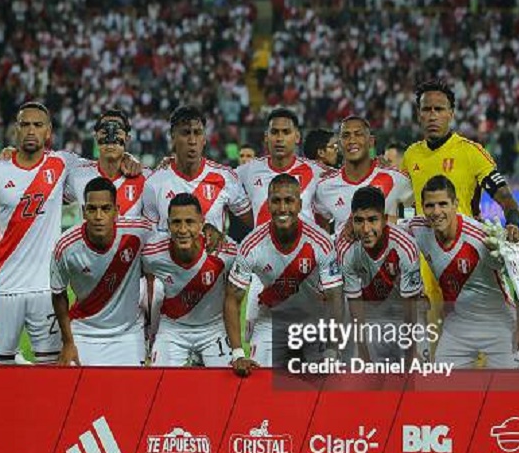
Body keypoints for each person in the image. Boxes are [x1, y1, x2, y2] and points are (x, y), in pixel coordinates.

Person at [0, 101, 82, 364]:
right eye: (25, 124)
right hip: (4, 287)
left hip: (48, 290)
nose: (31, 130)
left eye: (38, 125)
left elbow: (104, 167)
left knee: (52, 368)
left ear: (48, 131)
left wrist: (130, 160)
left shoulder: (62, 164)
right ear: (15, 130)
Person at [224, 174, 344, 375]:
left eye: (289, 201)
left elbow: (335, 297)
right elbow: (232, 298)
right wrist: (237, 353)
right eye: (276, 201)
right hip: (271, 320)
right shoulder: (251, 244)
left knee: (322, 385)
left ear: (299, 204)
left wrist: (332, 350)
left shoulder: (320, 242)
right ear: (268, 204)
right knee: (257, 380)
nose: (282, 208)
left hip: (312, 320)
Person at [407, 176, 519, 368]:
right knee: (442, 392)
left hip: (499, 324)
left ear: (455, 204)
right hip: (457, 326)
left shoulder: (483, 237)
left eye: (443, 204)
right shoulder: (418, 228)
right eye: (430, 206)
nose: (436, 212)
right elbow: (385, 230)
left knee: (507, 394)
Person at [236, 107, 329, 342]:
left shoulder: (317, 172)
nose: (279, 138)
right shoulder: (247, 171)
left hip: (305, 270)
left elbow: (346, 189)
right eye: (274, 132)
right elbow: (214, 182)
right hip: (262, 270)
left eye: (285, 132)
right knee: (256, 342)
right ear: (265, 137)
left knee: (309, 346)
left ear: (297, 136)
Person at [401, 80, 519, 241]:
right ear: (418, 115)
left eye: (439, 109)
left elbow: (505, 197)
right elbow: (404, 204)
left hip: (464, 253)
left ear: (451, 114)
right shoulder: (411, 155)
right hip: (425, 257)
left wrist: (513, 223)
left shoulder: (471, 152)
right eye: (426, 110)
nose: (432, 116)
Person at [51, 177, 153, 366]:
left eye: (105, 209)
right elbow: (58, 294)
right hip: (84, 331)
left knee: (130, 393)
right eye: (92, 209)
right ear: (83, 212)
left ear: (117, 211)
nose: (98, 216)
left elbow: (173, 242)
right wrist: (68, 342)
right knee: (78, 392)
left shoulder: (139, 232)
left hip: (128, 334)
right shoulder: (66, 246)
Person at [142, 193, 238, 367]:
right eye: (176, 222)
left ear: (202, 223)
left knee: (226, 387)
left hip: (213, 329)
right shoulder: (152, 254)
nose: (183, 230)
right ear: (168, 225)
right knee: (159, 384)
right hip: (173, 329)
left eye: (190, 222)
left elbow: (240, 288)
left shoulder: (225, 251)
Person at [336, 187, 422, 363]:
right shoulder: (346, 249)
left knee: (412, 380)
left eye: (372, 220)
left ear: (384, 220)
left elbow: (410, 305)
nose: (366, 229)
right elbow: (355, 304)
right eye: (359, 221)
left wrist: (411, 351)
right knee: (368, 383)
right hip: (370, 320)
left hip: (404, 317)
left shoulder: (406, 247)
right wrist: (363, 353)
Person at [142, 105, 253, 238]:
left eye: (197, 133)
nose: (192, 141)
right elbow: (148, 239)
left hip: (212, 259)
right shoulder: (154, 183)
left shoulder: (225, 178)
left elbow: (256, 224)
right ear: (172, 136)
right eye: (186, 133)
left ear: (204, 138)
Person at [314, 115, 413, 235]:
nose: (352, 140)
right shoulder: (325, 187)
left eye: (358, 134)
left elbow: (413, 221)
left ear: (371, 141)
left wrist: (385, 221)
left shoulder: (397, 179)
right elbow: (320, 230)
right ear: (340, 144)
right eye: (346, 136)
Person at [68, 109, 151, 218]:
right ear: (96, 137)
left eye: (117, 132)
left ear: (127, 139)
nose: (110, 140)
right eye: (104, 132)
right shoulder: (77, 174)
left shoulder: (146, 178)